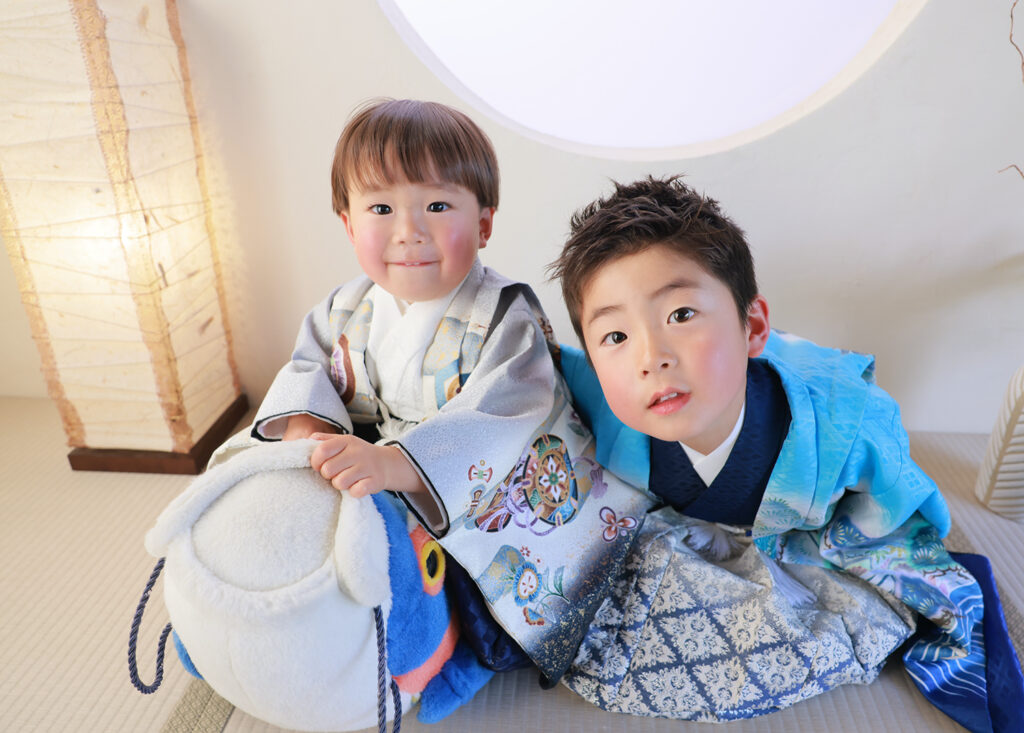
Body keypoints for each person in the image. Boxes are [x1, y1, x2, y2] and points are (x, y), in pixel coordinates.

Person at [549, 176, 1022, 729]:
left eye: (680, 314)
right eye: (615, 337)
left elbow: (906, 506)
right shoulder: (597, 406)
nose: (650, 358)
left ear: (752, 326)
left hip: (808, 434)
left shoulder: (847, 428)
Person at [251, 99, 652, 684]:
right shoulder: (343, 308)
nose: (409, 232)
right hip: (383, 473)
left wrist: (396, 464)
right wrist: (308, 431)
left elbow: (508, 413)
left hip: (483, 486)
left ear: (484, 223)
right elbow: (308, 368)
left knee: (464, 598)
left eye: (437, 206)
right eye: (381, 208)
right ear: (349, 224)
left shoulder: (504, 314)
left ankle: (450, 645)